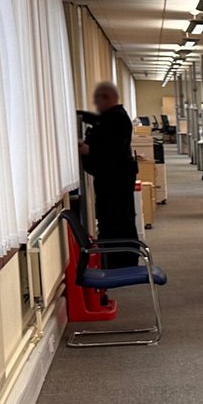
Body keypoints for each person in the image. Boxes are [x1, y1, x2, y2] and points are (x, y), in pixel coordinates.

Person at [79, 82, 139, 268]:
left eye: (97, 100)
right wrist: (80, 116)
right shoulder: (112, 117)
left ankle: (120, 261)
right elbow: (99, 124)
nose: (96, 105)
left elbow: (113, 150)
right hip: (113, 179)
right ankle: (116, 259)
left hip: (115, 181)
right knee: (113, 220)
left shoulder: (117, 119)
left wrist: (89, 150)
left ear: (106, 98)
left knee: (116, 220)